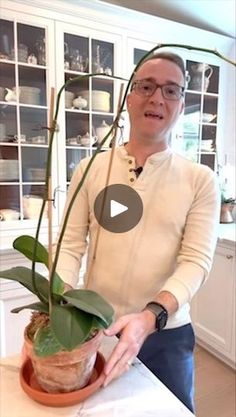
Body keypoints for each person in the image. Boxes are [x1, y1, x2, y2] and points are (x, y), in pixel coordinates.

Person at [54, 51, 220, 413]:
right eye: (147, 86)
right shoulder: (91, 167)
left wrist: (151, 316)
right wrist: (62, 299)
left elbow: (196, 261)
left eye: (171, 90)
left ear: (180, 105)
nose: (157, 97)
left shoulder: (200, 181)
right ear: (128, 98)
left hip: (166, 334)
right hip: (94, 324)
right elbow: (69, 244)